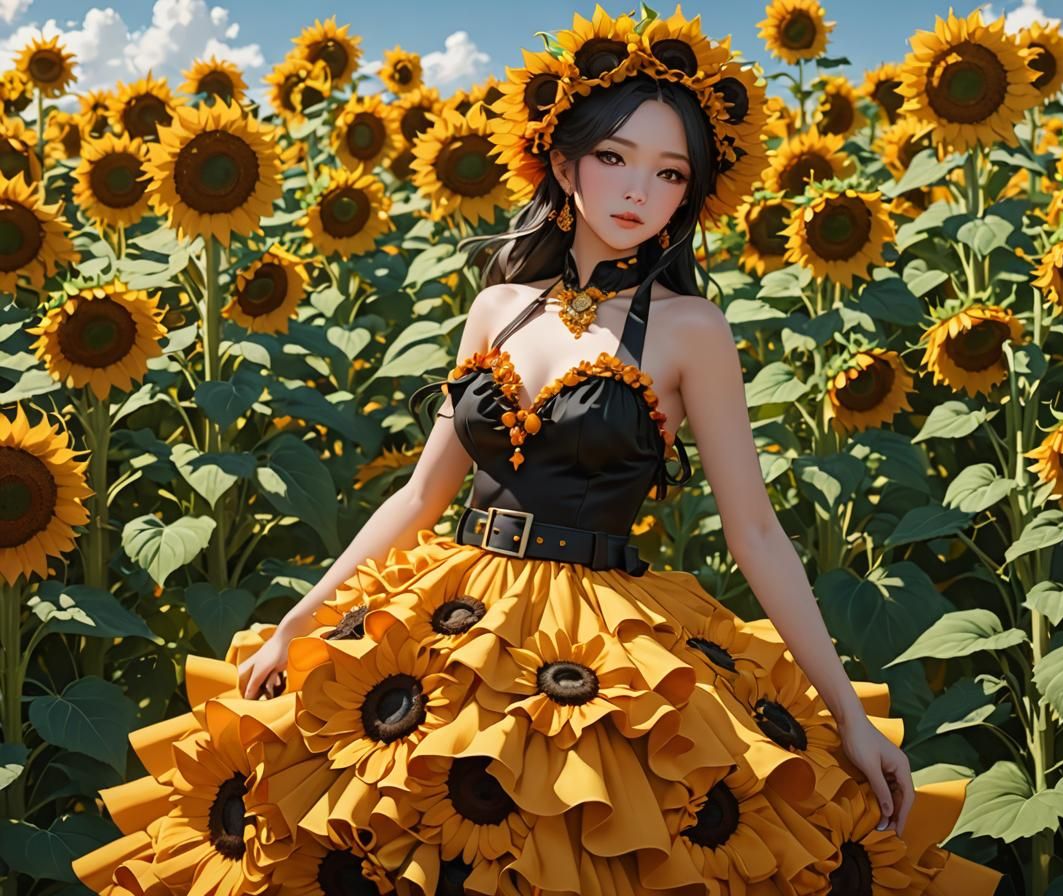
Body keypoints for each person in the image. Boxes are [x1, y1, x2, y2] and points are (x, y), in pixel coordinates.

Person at [72, 6, 1004, 895]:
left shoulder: (691, 330)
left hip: (598, 642)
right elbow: (419, 496)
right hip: (452, 621)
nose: (640, 191)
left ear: (694, 190)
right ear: (563, 165)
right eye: (614, 157)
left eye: (671, 173)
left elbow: (754, 530)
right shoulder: (496, 303)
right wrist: (300, 621)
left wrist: (846, 715)